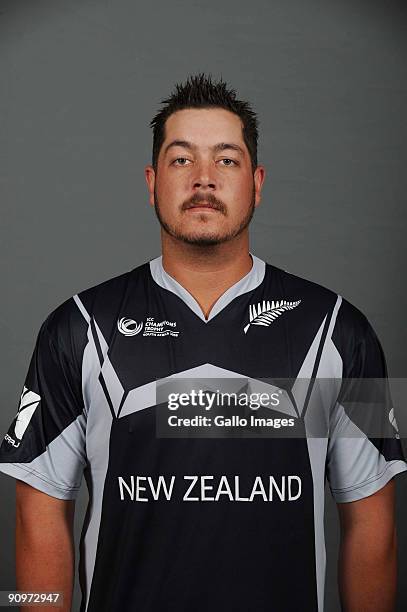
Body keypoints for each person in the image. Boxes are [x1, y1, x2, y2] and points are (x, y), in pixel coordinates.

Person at [0, 72, 406, 612]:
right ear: (152, 181)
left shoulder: (342, 329)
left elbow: (372, 523)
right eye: (181, 159)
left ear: (257, 181)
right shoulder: (75, 328)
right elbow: (39, 512)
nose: (204, 179)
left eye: (227, 159)